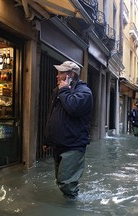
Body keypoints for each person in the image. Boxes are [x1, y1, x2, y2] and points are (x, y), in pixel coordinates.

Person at [43, 60, 93, 202]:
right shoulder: (58, 91)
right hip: (59, 144)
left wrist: (64, 90)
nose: (57, 76)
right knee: (60, 179)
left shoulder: (84, 92)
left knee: (66, 182)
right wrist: (47, 139)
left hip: (74, 144)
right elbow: (52, 115)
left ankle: (72, 207)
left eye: (61, 73)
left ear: (71, 75)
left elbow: (74, 108)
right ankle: (70, 201)